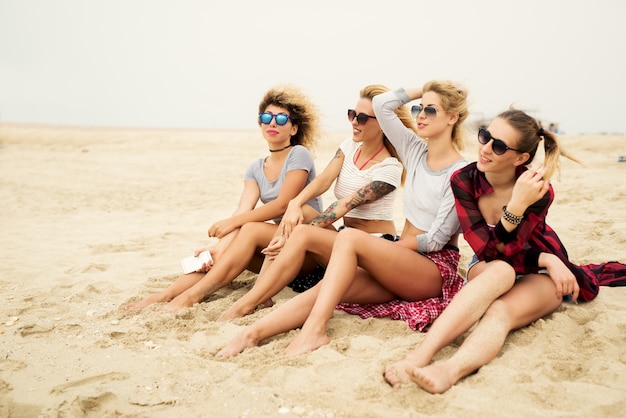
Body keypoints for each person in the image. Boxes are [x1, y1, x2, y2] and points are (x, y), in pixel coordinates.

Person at [217, 80, 470, 358]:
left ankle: (314, 331)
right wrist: (427, 88)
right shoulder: (415, 151)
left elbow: (435, 240)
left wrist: (388, 250)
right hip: (399, 261)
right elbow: (383, 104)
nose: (421, 115)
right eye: (420, 109)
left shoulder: (460, 173)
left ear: (452, 117)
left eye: (431, 111)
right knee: (330, 289)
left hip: (431, 268)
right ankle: (250, 331)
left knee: (348, 239)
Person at [384, 108, 626, 394]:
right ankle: (418, 356)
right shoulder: (463, 180)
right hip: (499, 263)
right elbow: (488, 252)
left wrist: (533, 234)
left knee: (500, 311)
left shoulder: (538, 191)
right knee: (500, 270)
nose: (485, 149)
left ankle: (450, 370)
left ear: (521, 158)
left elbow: (513, 249)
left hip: (541, 272)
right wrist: (521, 222)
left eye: (498, 146)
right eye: (485, 136)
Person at [217, 84, 414, 321]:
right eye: (352, 114)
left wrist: (289, 235)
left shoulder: (389, 168)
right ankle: (261, 293)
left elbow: (343, 206)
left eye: (362, 118)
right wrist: (294, 204)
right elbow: (324, 180)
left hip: (374, 248)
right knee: (303, 211)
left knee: (302, 229)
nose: (354, 122)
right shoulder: (349, 147)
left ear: (383, 123)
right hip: (343, 239)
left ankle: (249, 302)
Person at [124, 84, 323, 311]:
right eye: (266, 117)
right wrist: (219, 246)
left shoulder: (299, 154)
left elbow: (282, 205)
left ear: (294, 128)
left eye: (281, 118)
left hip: (307, 255)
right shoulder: (255, 168)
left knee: (249, 228)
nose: (272, 123)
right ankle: (167, 294)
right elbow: (243, 210)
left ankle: (191, 297)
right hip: (277, 253)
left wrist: (233, 223)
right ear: (260, 123)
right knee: (226, 247)